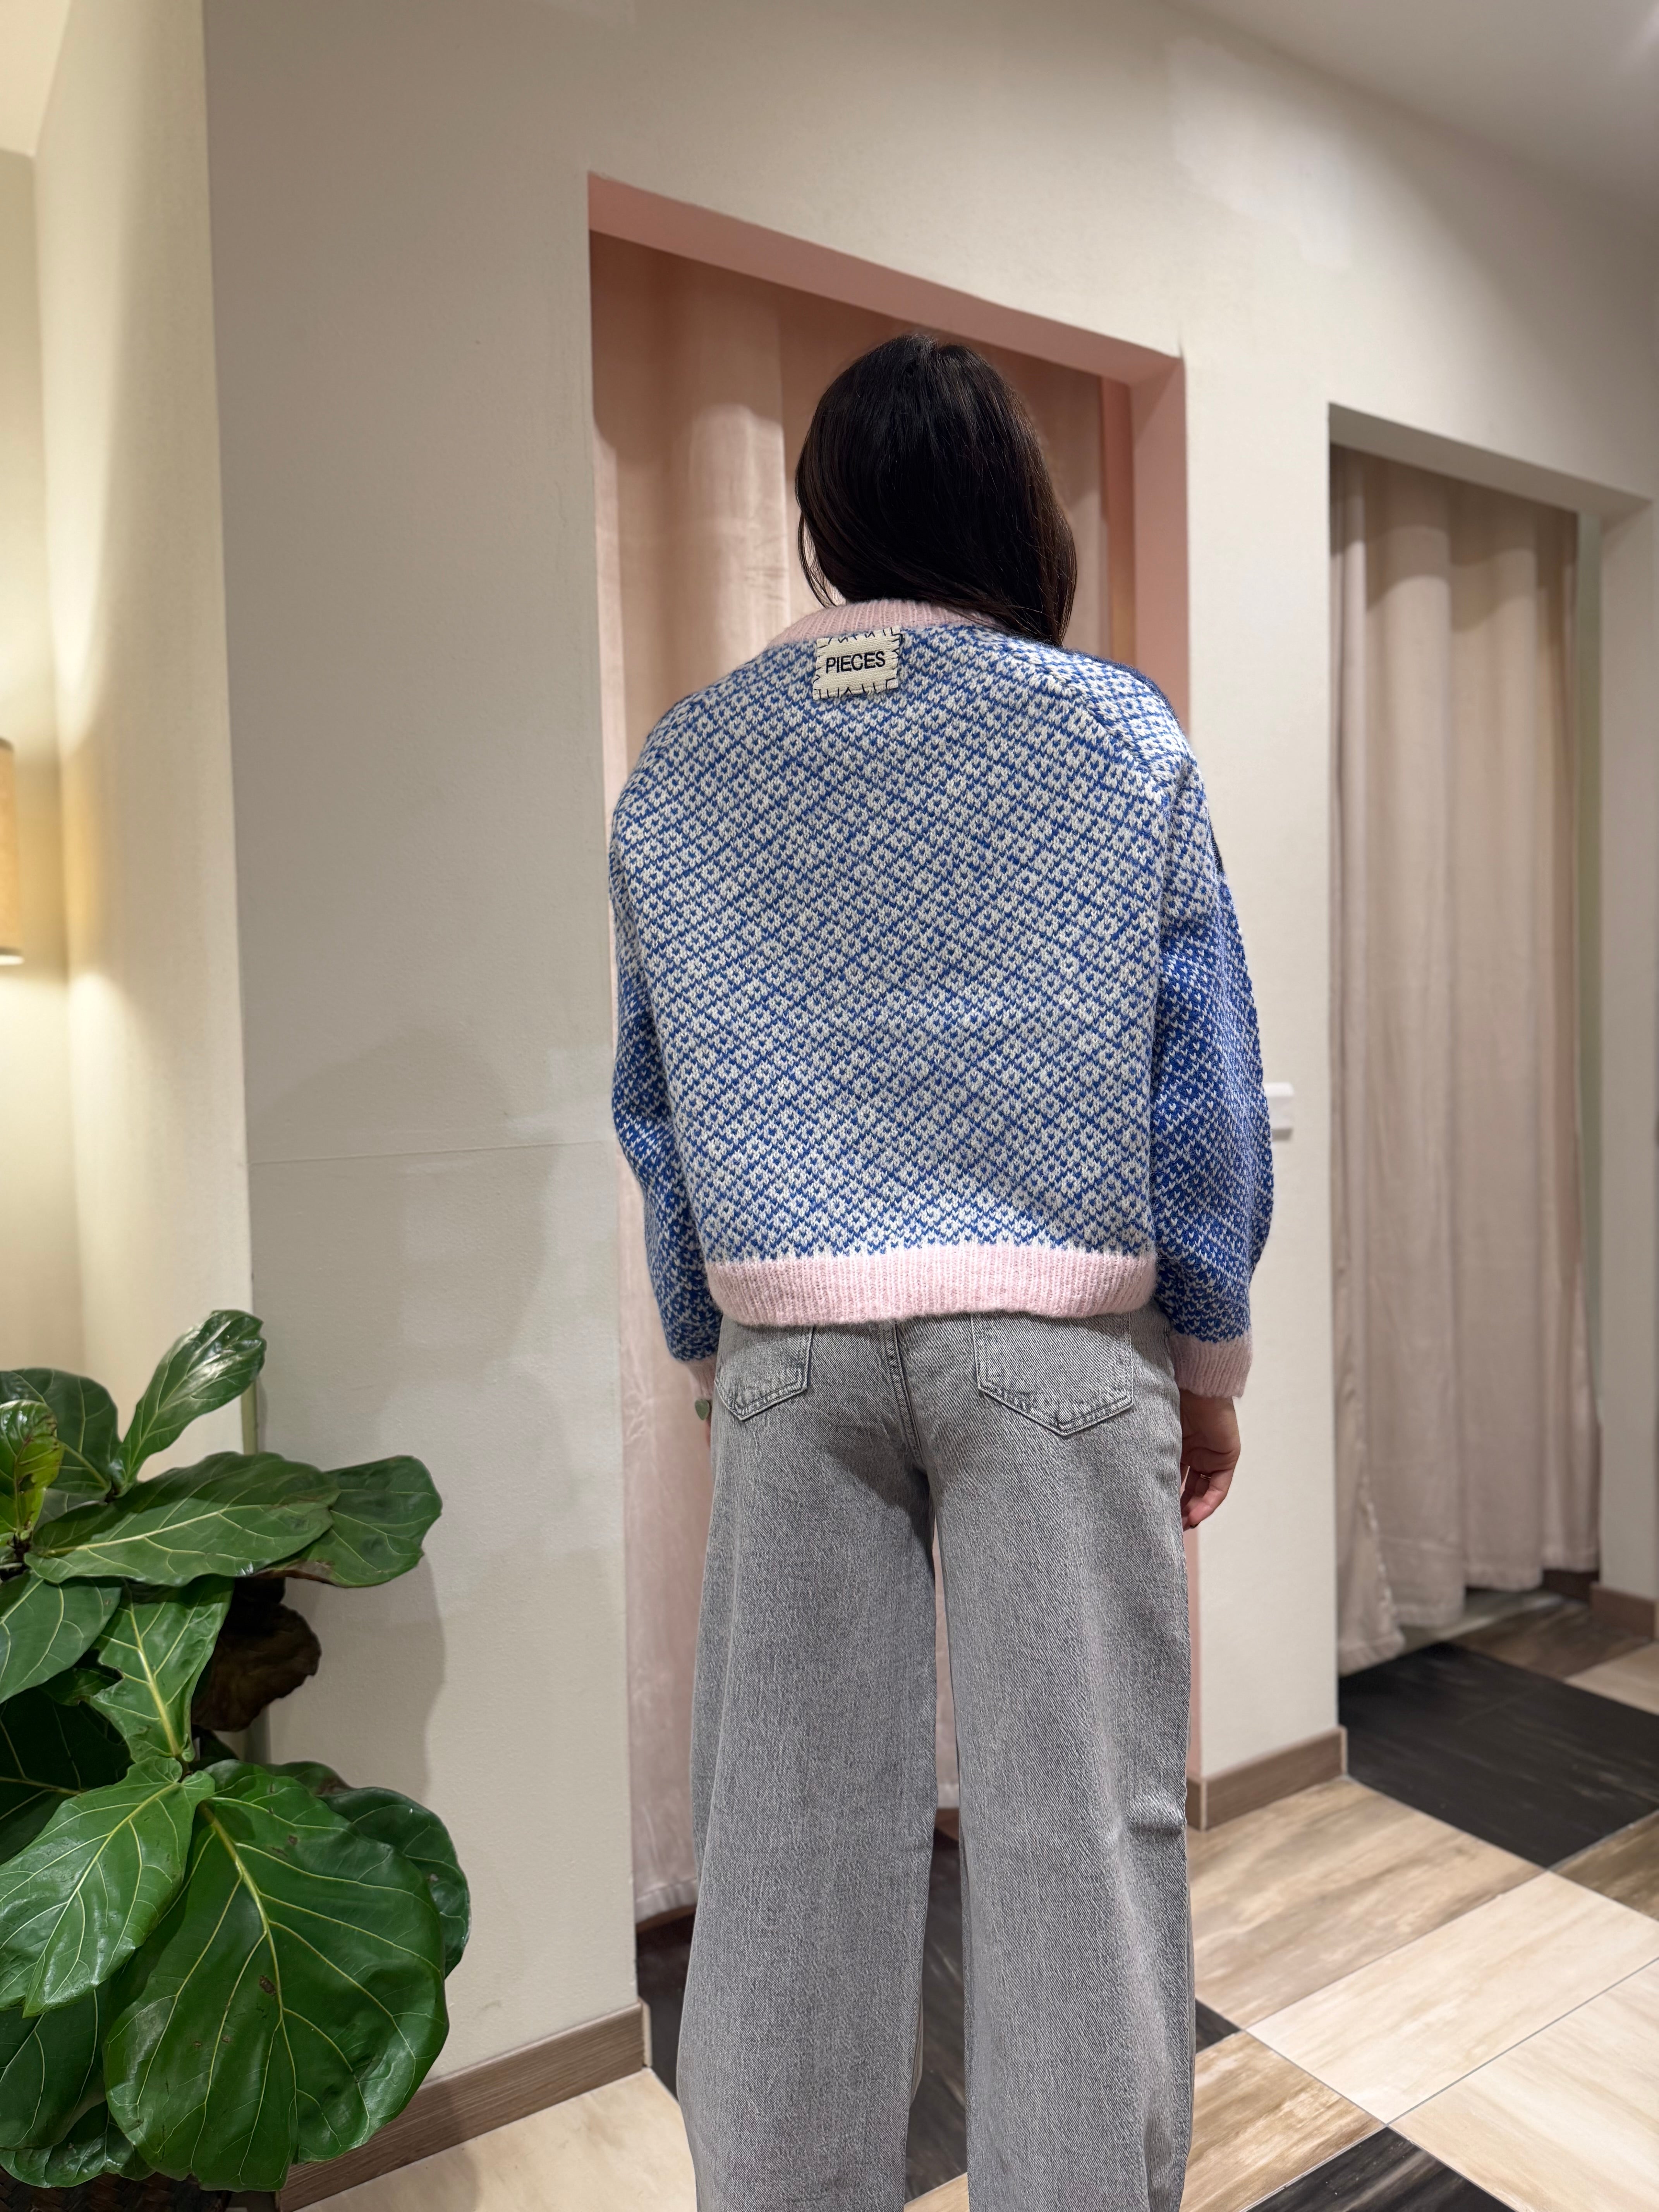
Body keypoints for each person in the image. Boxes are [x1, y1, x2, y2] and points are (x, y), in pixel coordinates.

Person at [609, 332, 1272, 2212]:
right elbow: (1202, 1083)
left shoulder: (687, 761)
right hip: (1056, 1351)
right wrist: (1209, 1359)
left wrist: (709, 1344)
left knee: (783, 1855)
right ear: (1014, 510)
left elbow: (654, 1100)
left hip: (790, 1356)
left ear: (827, 515)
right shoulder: (1120, 737)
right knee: (1082, 1843)